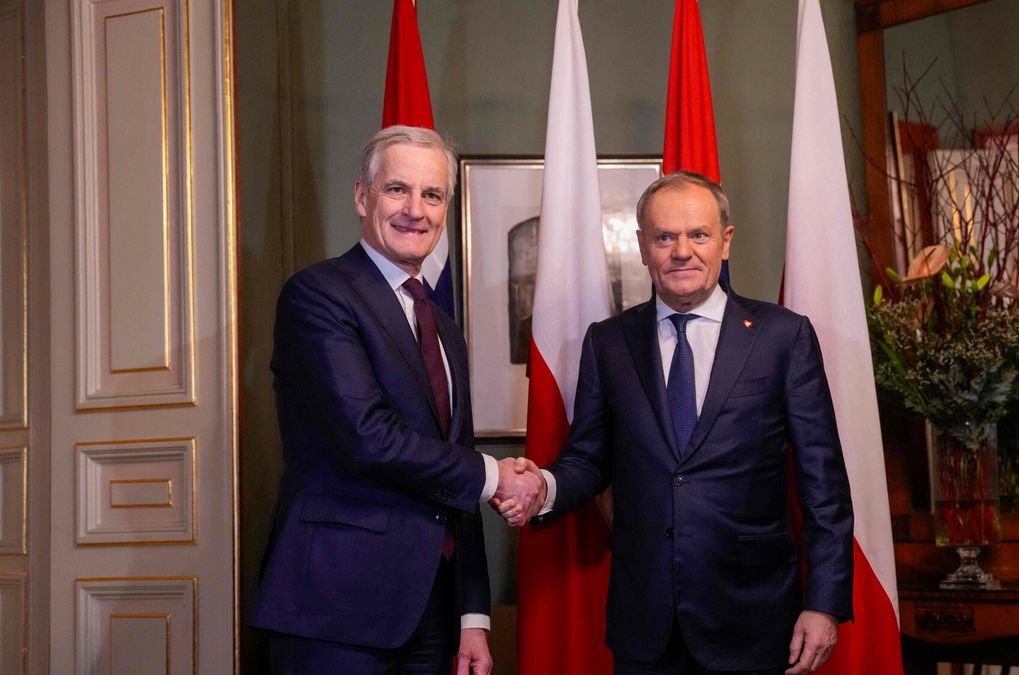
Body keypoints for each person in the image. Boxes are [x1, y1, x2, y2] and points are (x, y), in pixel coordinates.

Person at [497, 171, 854, 675]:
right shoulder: (609, 342)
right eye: (665, 237)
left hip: (753, 618)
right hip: (646, 624)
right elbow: (589, 458)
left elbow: (824, 483)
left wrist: (824, 603)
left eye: (698, 235)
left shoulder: (782, 337)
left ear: (725, 242)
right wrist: (545, 486)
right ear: (643, 247)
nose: (681, 251)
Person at [249, 125, 543, 674]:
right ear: (363, 196)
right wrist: (498, 478)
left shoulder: (443, 326)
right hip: (335, 608)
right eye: (397, 190)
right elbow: (367, 436)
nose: (415, 209)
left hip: (431, 615)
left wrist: (472, 615)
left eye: (432, 195)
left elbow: (456, 460)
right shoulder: (319, 295)